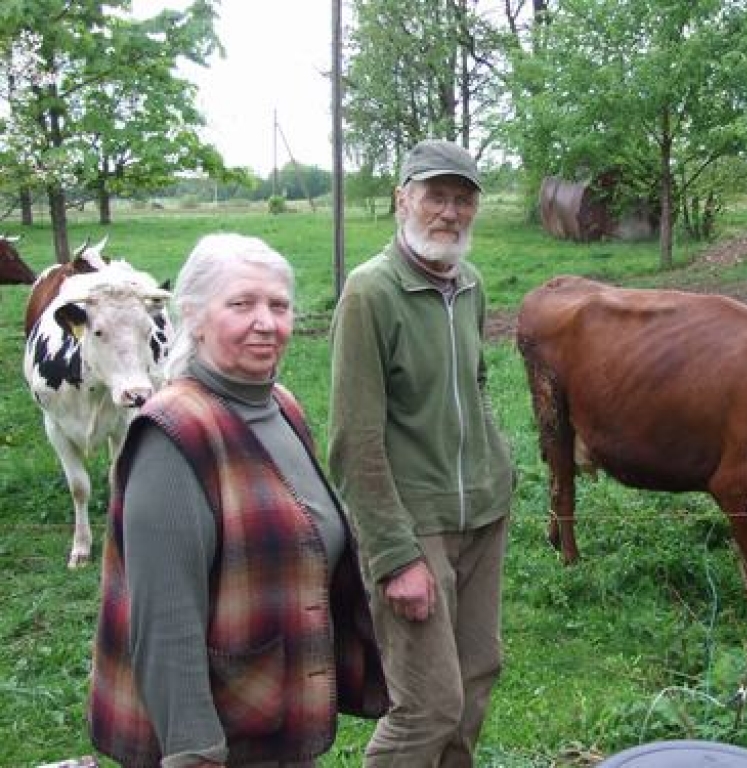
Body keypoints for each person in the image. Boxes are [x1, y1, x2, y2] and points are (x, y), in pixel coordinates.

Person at [87, 233, 387, 767]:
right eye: (241, 304)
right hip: (222, 737)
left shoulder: (282, 406)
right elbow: (166, 624)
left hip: (273, 720)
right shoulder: (173, 434)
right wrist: (195, 753)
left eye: (279, 305)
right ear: (194, 318)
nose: (266, 322)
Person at [327, 139, 516, 767]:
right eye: (436, 195)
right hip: (416, 525)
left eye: (463, 200)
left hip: (483, 515)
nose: (449, 213)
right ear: (402, 198)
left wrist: (498, 464)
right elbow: (354, 441)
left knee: (475, 681)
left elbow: (477, 382)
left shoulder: (471, 285)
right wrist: (394, 555)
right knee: (428, 704)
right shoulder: (370, 294)